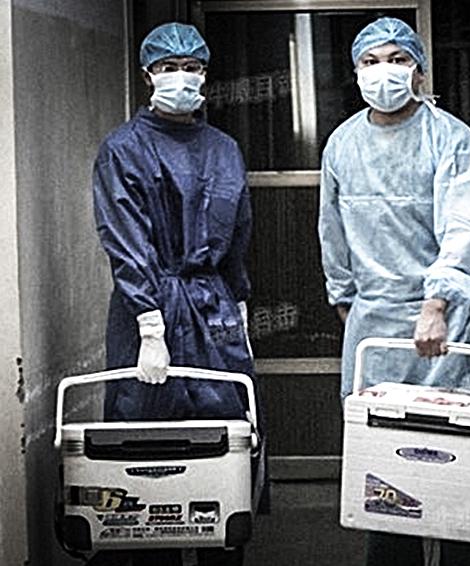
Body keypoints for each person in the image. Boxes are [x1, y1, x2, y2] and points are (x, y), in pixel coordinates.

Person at [318, 16, 470, 566]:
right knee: (389, 491)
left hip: (447, 330)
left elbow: (466, 228)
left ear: (419, 70)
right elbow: (334, 234)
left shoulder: (450, 139)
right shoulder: (343, 144)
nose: (385, 73)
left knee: (462, 488)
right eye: (371, 62)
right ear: (355, 73)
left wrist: (436, 303)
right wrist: (350, 304)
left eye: (397, 59)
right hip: (377, 336)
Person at [91, 22, 262, 566]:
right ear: (147, 77)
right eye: (169, 69)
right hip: (152, 313)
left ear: (206, 75)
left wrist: (238, 302)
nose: (181, 79)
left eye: (191, 68)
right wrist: (148, 324)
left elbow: (238, 233)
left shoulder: (224, 149)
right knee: (150, 461)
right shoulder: (124, 149)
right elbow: (124, 238)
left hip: (213, 311)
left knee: (222, 453)